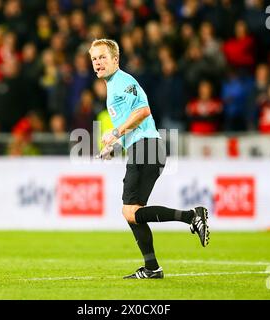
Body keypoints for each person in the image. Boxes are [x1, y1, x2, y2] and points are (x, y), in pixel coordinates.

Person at [89, 39, 210, 279]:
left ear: (115, 59)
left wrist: (115, 132)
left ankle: (191, 216)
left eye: (102, 57)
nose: (98, 62)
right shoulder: (113, 87)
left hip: (146, 148)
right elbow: (132, 122)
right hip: (143, 148)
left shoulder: (123, 81)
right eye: (94, 58)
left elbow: (143, 111)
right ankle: (152, 268)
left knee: (130, 212)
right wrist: (113, 146)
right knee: (133, 212)